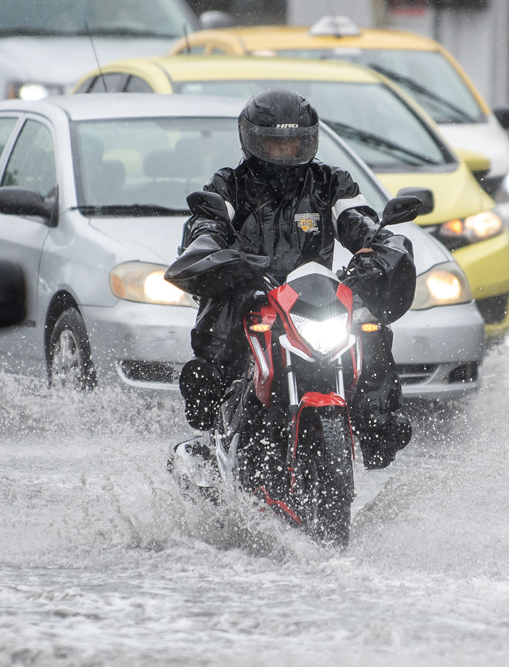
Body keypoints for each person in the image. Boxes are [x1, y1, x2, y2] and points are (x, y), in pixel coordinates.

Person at [165, 88, 415, 470]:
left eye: (294, 143)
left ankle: (378, 426)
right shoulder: (232, 184)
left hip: (315, 301)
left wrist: (379, 244)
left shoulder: (330, 183)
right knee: (217, 343)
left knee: (368, 327)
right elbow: (207, 223)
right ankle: (213, 431)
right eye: (276, 144)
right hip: (254, 295)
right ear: (253, 141)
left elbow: (358, 219)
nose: (286, 152)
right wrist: (213, 247)